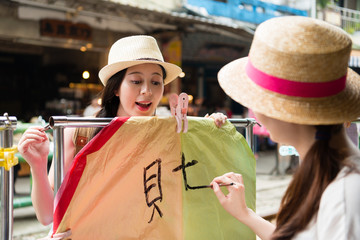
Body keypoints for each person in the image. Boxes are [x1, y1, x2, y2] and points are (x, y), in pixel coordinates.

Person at [18, 35, 227, 226]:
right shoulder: (79, 133)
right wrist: (37, 164)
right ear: (116, 87)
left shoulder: (168, 134)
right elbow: (46, 216)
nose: (147, 90)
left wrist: (208, 131)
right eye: (136, 81)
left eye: (156, 82)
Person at [211, 16, 360, 240]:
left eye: (255, 99)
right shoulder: (324, 171)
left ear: (283, 110)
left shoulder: (346, 195)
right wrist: (245, 214)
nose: (253, 110)